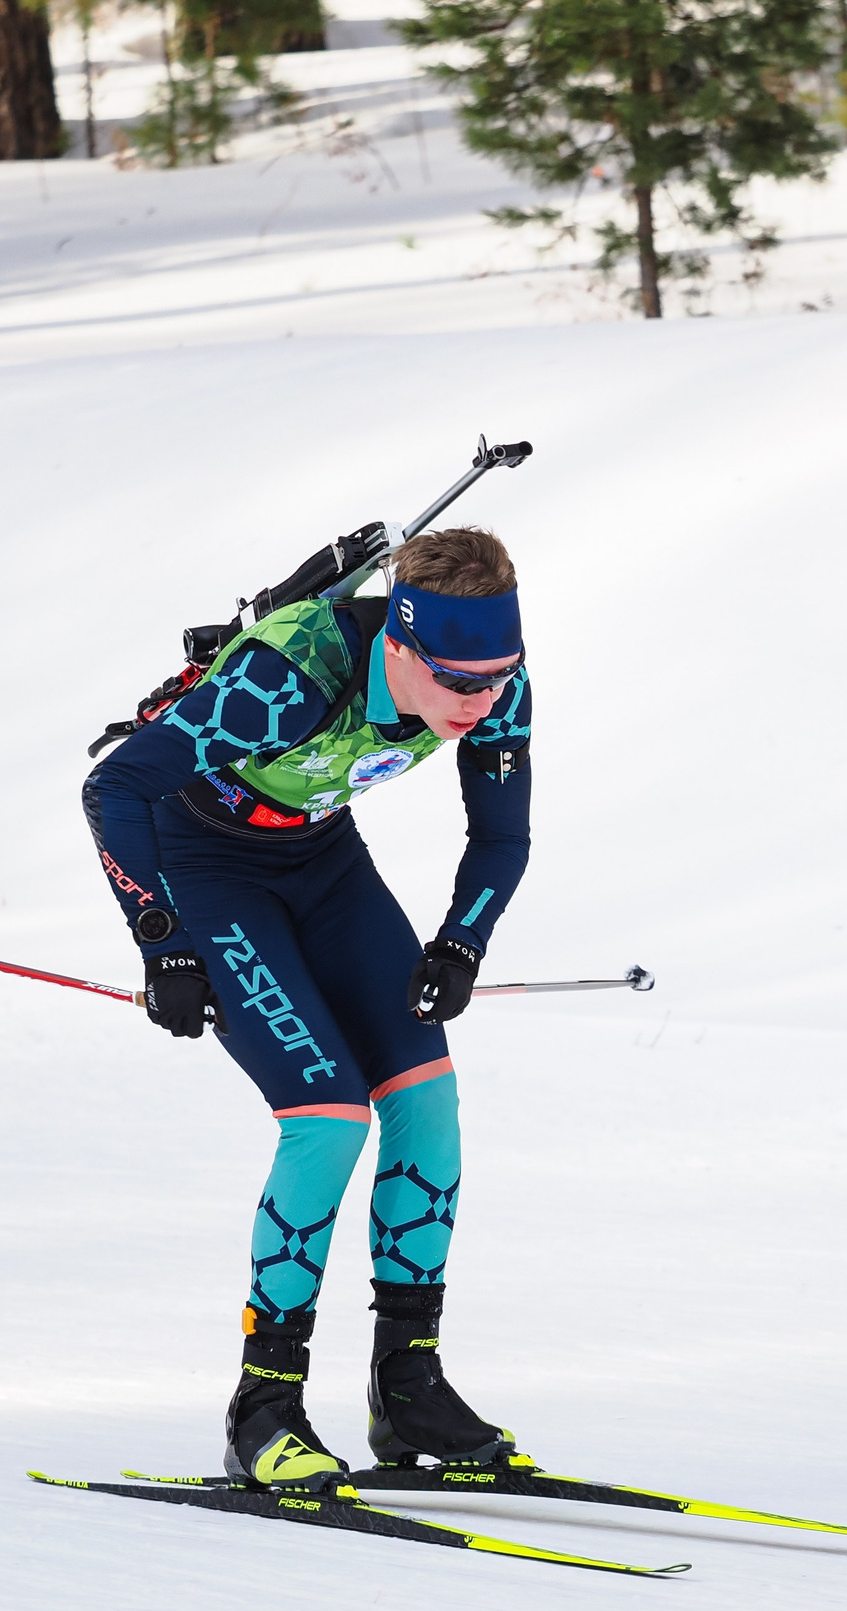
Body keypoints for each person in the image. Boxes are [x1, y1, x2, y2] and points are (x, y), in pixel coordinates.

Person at [82, 527, 532, 1489]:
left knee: (427, 1099)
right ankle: (265, 1406)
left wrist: (461, 943)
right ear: (399, 649)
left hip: (321, 856)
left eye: (499, 675)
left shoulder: (493, 680)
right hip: (202, 859)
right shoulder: (287, 675)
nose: (483, 701)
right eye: (460, 682)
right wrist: (162, 941)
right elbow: (112, 787)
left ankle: (407, 1384)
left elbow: (502, 834)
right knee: (328, 1115)